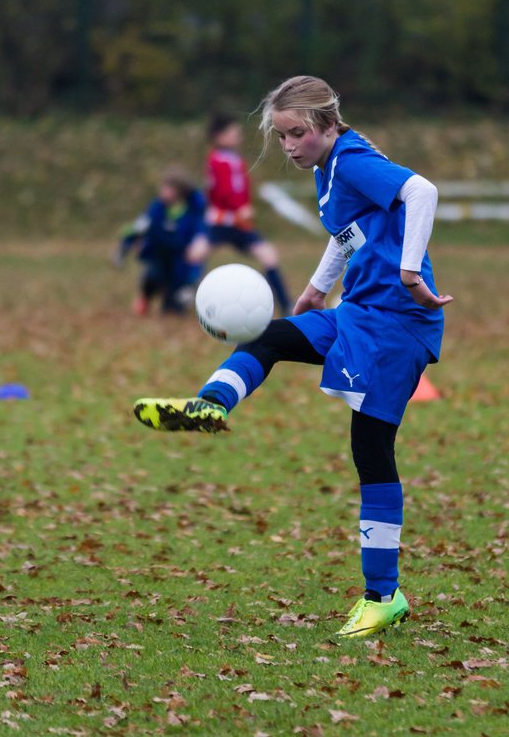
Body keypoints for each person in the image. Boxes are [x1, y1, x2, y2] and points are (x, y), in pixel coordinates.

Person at [132, 76, 453, 638]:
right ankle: (210, 405)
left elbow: (420, 192)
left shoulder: (351, 160)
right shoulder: (330, 168)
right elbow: (347, 233)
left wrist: (408, 271)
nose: (289, 146)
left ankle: (384, 595)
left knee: (371, 449)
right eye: (281, 137)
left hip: (398, 325)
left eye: (297, 133)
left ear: (329, 124)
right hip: (361, 314)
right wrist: (314, 289)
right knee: (272, 337)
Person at [202, 113, 292, 315]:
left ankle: (286, 304)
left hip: (240, 224)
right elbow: (222, 191)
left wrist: (245, 208)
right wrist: (237, 209)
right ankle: (180, 299)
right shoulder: (216, 160)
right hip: (221, 222)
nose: (238, 137)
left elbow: (241, 189)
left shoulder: (236, 160)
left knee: (269, 256)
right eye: (233, 133)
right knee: (194, 255)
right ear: (219, 136)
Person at [114, 170, 210, 316]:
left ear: (179, 191)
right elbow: (138, 228)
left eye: (167, 188)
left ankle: (186, 293)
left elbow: (201, 231)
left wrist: (200, 243)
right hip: (158, 257)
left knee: (172, 311)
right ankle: (144, 298)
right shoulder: (156, 208)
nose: (162, 191)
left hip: (180, 263)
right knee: (151, 277)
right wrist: (124, 248)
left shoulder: (195, 209)